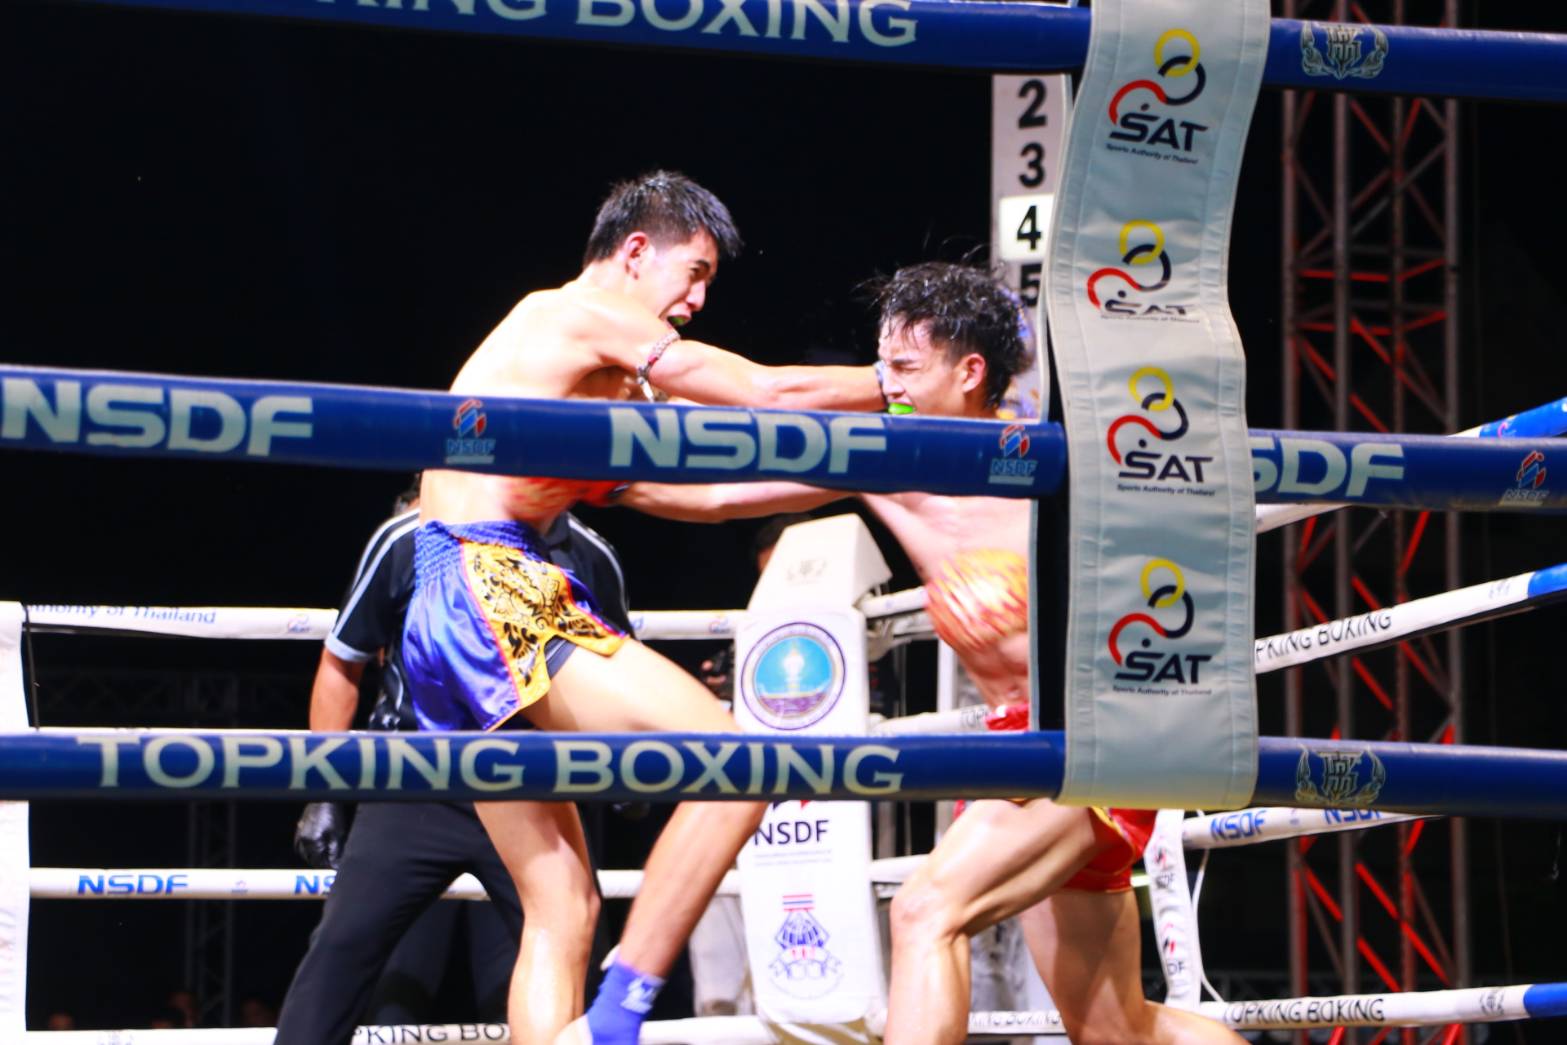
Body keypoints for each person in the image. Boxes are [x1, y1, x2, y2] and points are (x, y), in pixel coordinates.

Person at [618, 262, 1244, 1044]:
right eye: (883, 366)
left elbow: (1172, 583)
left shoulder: (1059, 463)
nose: (886, 386)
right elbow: (721, 493)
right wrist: (599, 478)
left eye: (906, 367)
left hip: (1097, 736)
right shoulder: (890, 463)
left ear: (969, 371)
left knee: (924, 908)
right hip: (1017, 749)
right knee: (1118, 1031)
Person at [400, 170, 885, 1045]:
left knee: (564, 903)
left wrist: (869, 464)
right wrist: (898, 384)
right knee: (739, 762)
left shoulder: (576, 384)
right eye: (692, 272)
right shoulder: (571, 313)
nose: (696, 301)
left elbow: (710, 498)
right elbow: (764, 391)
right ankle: (617, 1018)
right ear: (633, 251)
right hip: (490, 582)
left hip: (450, 600)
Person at [272, 480, 637, 1045]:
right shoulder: (407, 538)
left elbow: (617, 673)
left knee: (571, 959)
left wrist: (626, 765)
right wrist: (324, 791)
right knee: (339, 955)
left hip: (532, 784)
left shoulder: (590, 553)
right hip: (414, 781)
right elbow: (342, 663)